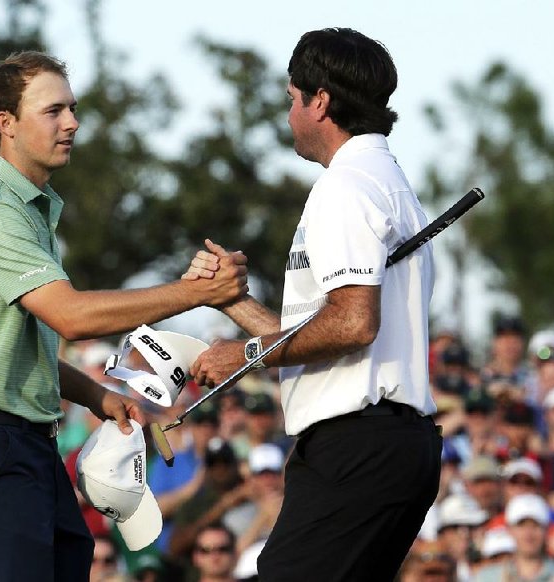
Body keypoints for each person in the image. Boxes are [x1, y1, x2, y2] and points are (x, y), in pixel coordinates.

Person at [0, 50, 248, 582]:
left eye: (72, 108)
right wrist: (195, 293)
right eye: (53, 111)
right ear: (7, 125)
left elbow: (20, 351)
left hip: (19, 444)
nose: (72, 122)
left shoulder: (30, 209)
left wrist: (97, 396)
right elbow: (72, 317)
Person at [186, 28, 441, 580]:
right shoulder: (385, 182)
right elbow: (322, 332)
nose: (288, 115)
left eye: (290, 99)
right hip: (384, 445)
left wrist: (245, 354)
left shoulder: (345, 187)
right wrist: (234, 302)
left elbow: (352, 324)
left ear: (318, 101)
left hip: (357, 445)